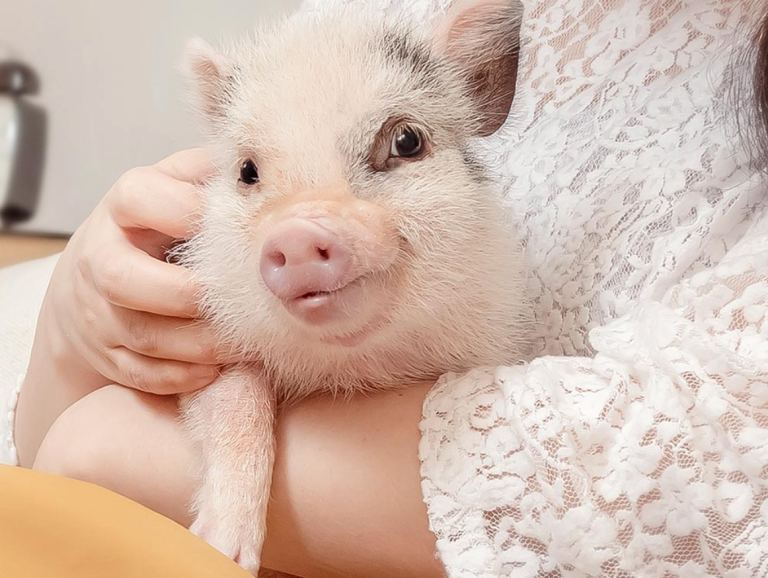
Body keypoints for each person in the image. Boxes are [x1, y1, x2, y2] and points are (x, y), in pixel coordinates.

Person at [3, 0, 767, 576]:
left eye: (401, 144)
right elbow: (53, 453)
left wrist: (96, 438)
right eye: (248, 174)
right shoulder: (356, 20)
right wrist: (70, 332)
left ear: (480, 89)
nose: (300, 229)